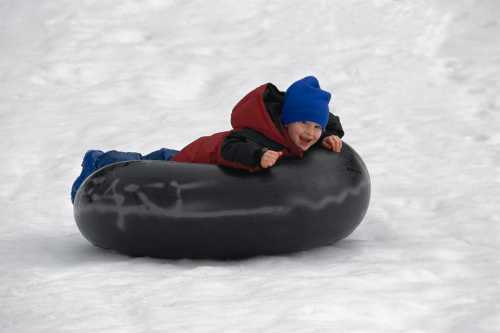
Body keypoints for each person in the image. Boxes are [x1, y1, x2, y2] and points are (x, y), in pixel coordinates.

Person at [70, 75, 344, 203]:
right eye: (303, 124)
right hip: (190, 161)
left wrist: (330, 136)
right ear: (286, 121)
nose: (309, 133)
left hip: (203, 166)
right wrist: (258, 156)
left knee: (163, 156)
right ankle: (99, 161)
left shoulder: (306, 133)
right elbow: (231, 149)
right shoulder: (258, 135)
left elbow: (328, 121)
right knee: (144, 164)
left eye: (316, 127)